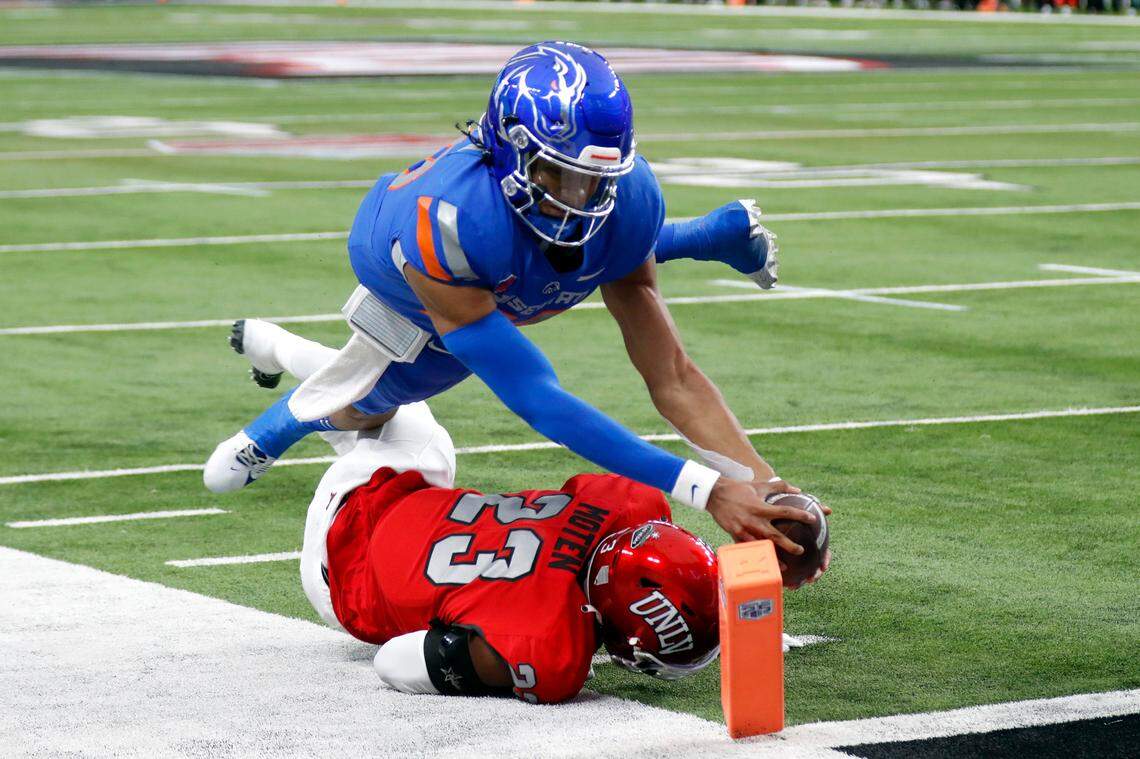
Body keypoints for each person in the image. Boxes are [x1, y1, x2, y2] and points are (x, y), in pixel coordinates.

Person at [205, 41, 816, 554]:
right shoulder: (446, 225)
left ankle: (710, 233)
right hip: (407, 273)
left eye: (595, 181)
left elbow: (674, 377)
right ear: (508, 149)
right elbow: (539, 399)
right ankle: (275, 420)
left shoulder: (625, 198)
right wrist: (706, 489)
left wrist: (763, 484)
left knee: (587, 254)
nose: (581, 201)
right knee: (372, 404)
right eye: (559, 176)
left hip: (507, 264)